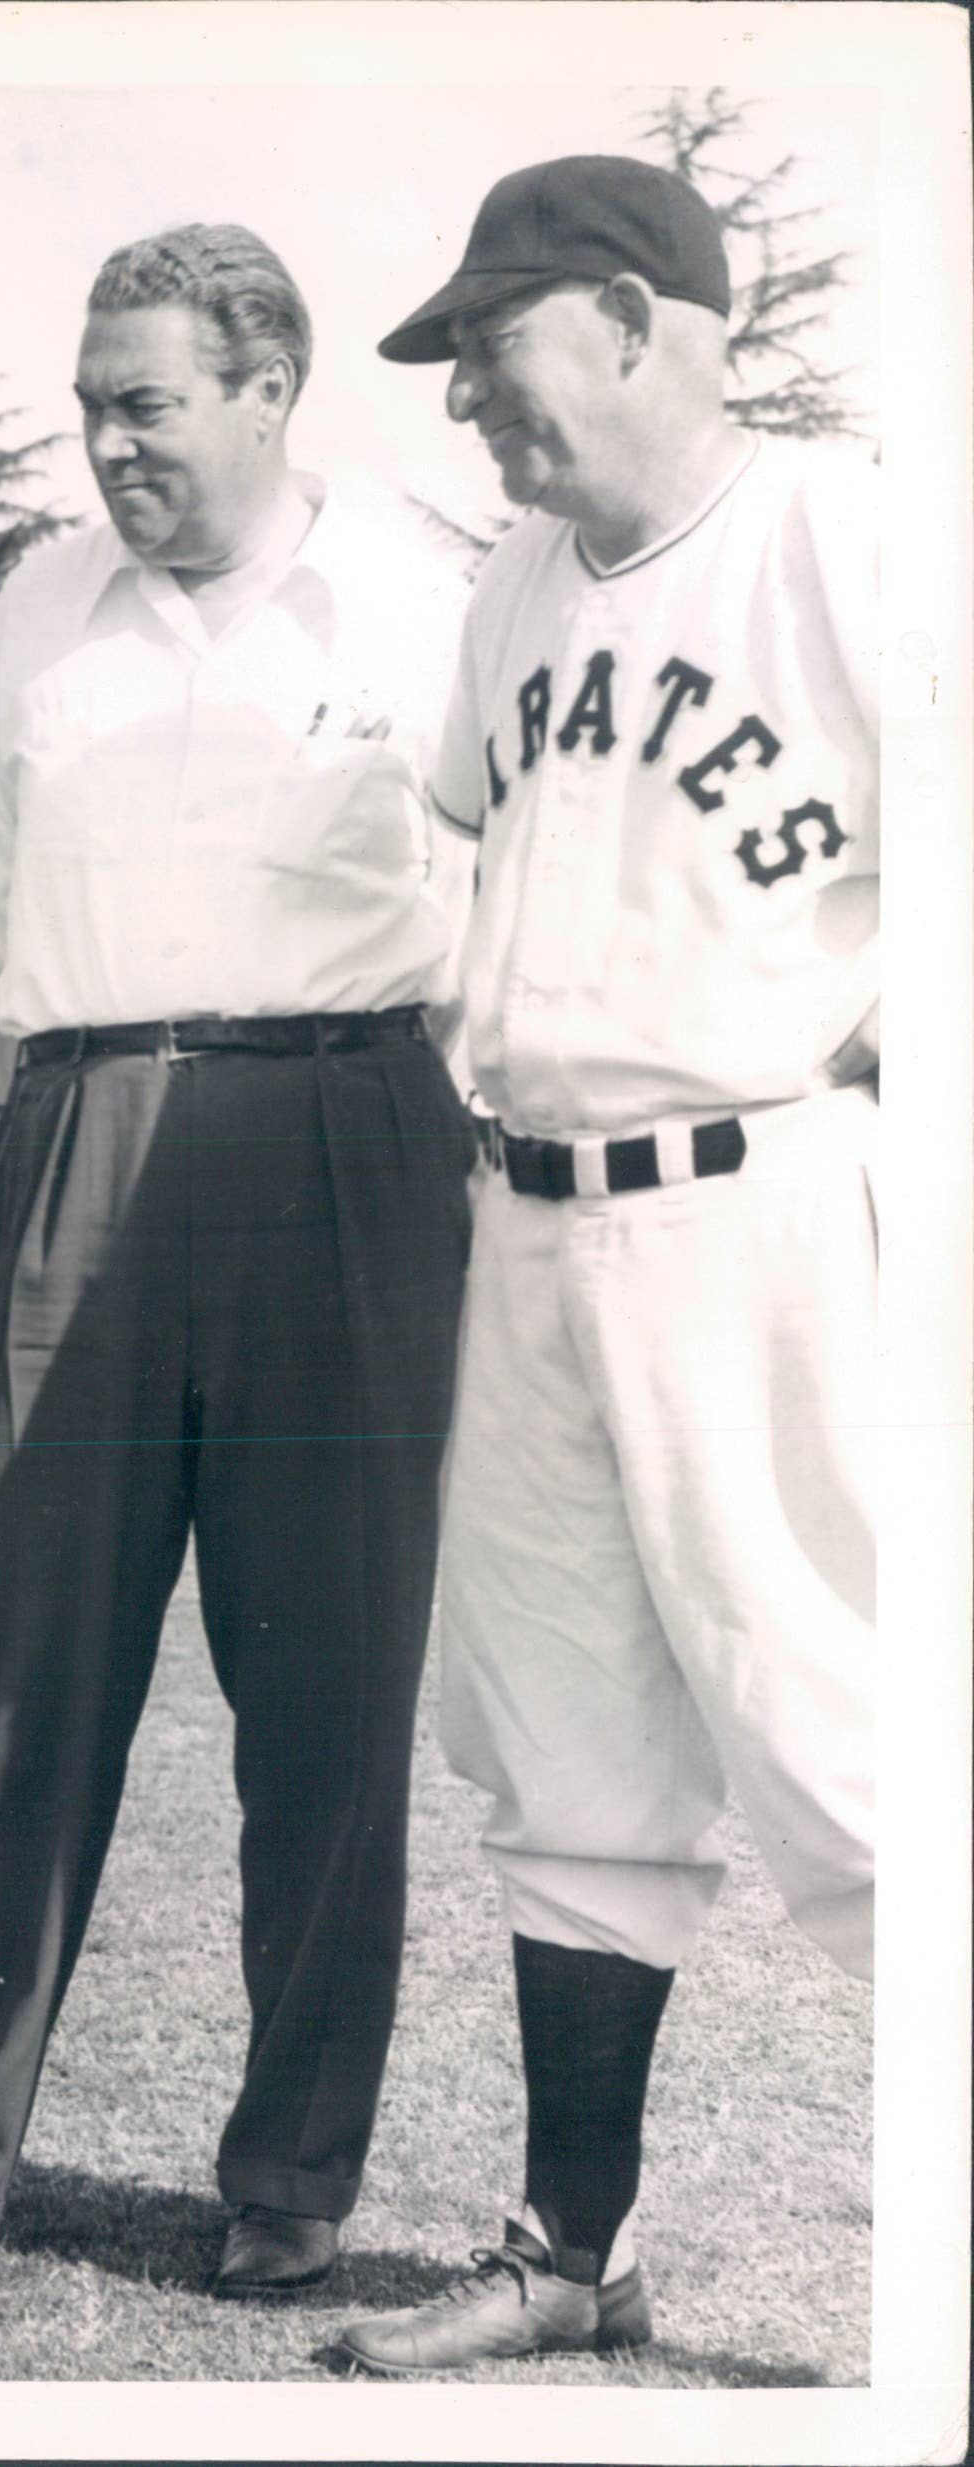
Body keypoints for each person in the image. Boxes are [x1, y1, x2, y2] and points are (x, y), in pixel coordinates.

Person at [0, 225, 478, 2313]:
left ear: (269, 389)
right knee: (26, 1686)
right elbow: (3, 892)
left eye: (145, 401)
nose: (103, 443)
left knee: (325, 1692)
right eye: (87, 401)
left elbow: (474, 901)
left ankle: (290, 2169)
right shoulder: (32, 610)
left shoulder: (422, 605)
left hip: (344, 1133)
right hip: (84, 1121)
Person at [337, 156, 878, 2376]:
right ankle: (570, 2245)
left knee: (844, 1730)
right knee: (556, 1752)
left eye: (497, 338)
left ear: (641, 321)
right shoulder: (520, 593)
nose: (465, 390)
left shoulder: (831, 532)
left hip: (753, 1207)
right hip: (528, 1215)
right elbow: (461, 847)